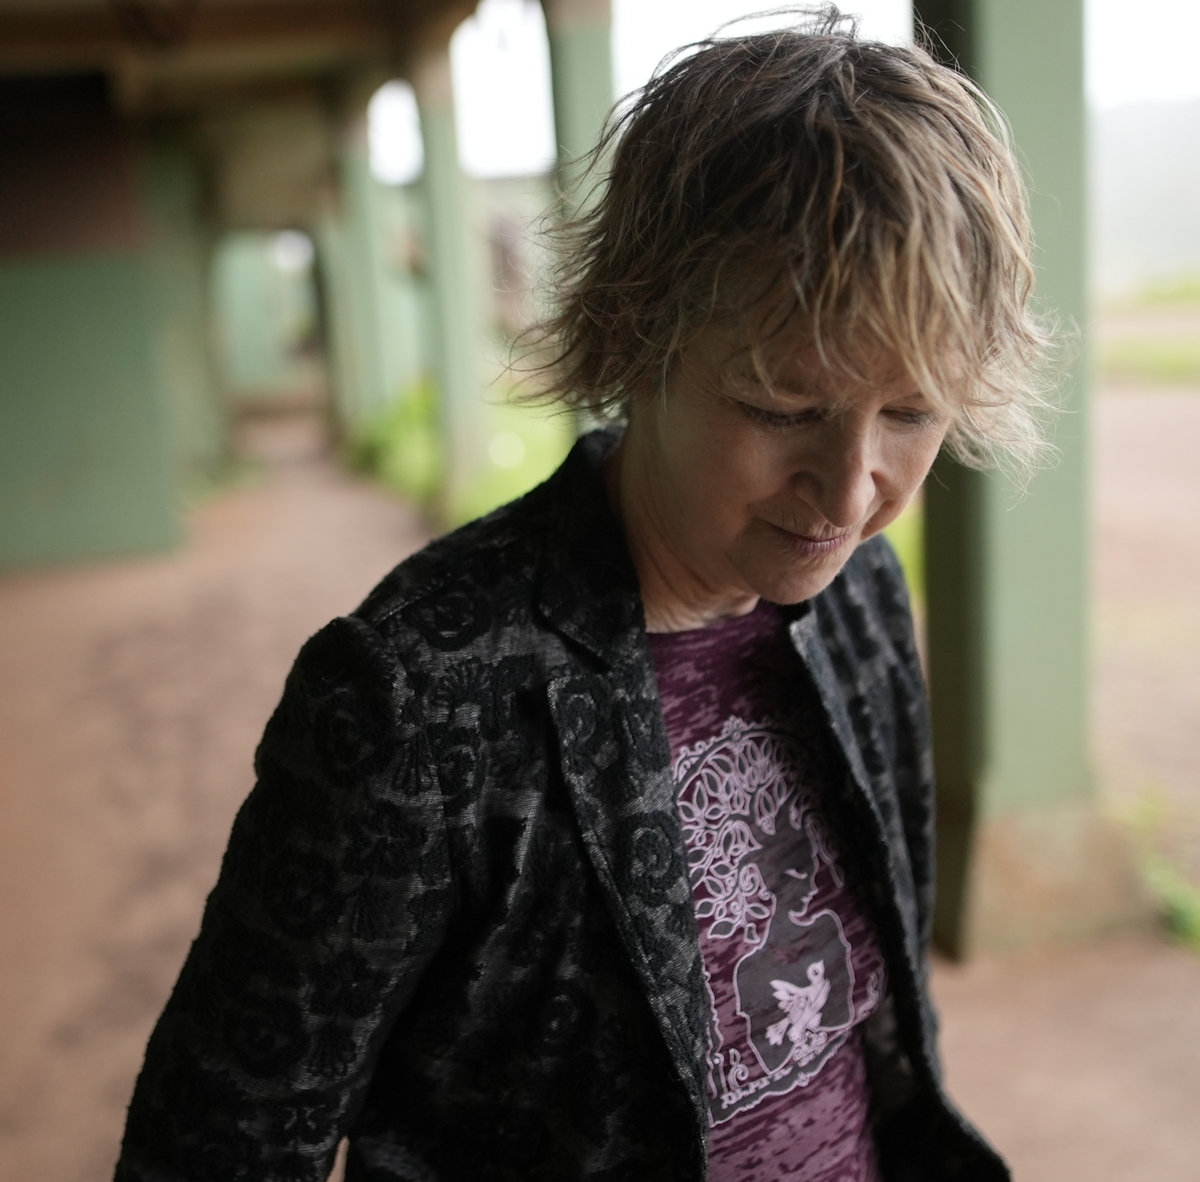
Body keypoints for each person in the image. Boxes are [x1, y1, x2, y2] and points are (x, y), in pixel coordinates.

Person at [115, 8, 1055, 1181]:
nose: (852, 487)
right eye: (782, 407)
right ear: (636, 335)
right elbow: (219, 1145)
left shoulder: (858, 590)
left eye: (912, 412)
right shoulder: (416, 699)